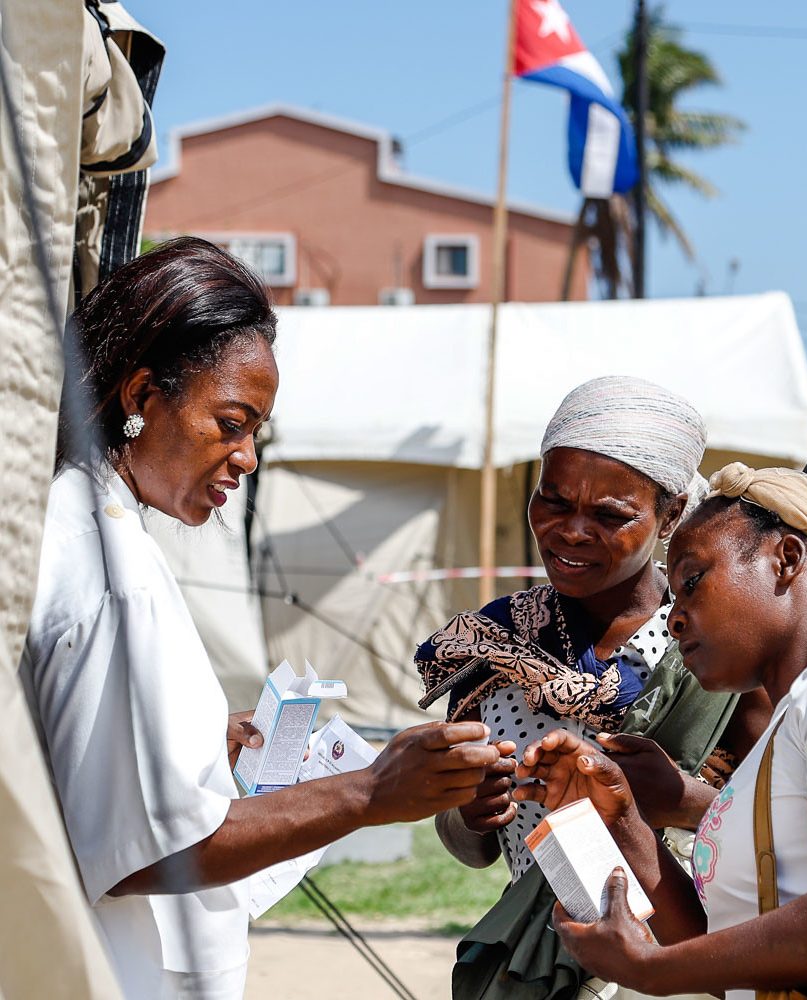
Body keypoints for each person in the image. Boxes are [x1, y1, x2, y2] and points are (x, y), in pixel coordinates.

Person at [19, 237, 499, 1000]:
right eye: (231, 422)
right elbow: (149, 849)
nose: (245, 457)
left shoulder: (75, 522)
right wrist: (367, 793)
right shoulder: (111, 574)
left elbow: (50, 751)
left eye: (256, 434)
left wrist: (201, 734)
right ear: (141, 398)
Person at [515, 462, 807, 1000]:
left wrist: (651, 971)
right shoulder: (790, 724)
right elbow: (731, 956)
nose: (674, 618)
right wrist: (626, 822)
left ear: (786, 560)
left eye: (692, 581)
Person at [415, 377, 769, 999]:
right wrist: (472, 815)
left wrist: (682, 800)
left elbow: (784, 827)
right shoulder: (493, 644)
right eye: (552, 502)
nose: (572, 531)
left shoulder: (720, 646)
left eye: (610, 515)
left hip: (678, 967)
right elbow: (468, 844)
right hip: (538, 960)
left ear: (672, 514)